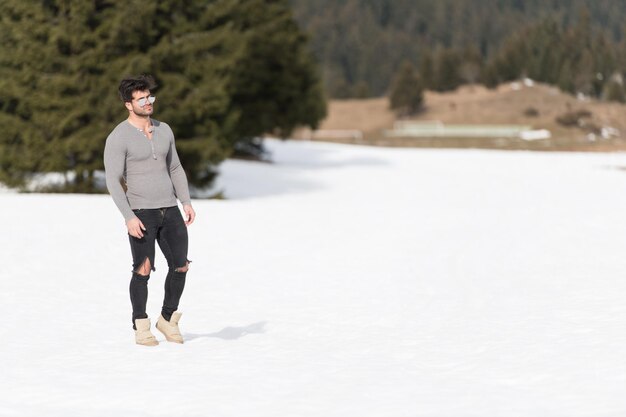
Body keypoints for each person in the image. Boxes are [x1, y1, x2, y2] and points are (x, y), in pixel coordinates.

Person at [104, 75, 196, 346]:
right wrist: (129, 216)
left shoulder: (164, 129)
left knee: (181, 265)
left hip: (170, 209)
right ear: (128, 105)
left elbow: (175, 167)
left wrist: (186, 201)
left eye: (149, 97)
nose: (147, 102)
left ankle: (167, 320)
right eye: (141, 99)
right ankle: (141, 325)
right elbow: (113, 180)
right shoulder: (118, 136)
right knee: (143, 269)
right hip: (142, 212)